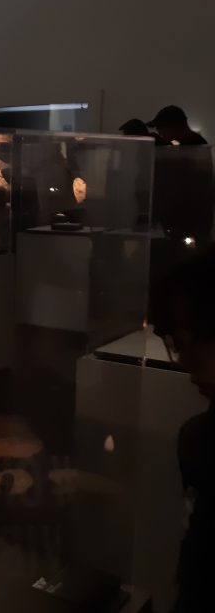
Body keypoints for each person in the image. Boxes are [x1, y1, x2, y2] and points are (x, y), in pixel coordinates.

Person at [152, 247, 215, 613]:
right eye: (178, 343)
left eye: (196, 340)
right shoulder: (197, 440)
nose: (186, 361)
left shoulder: (197, 440)